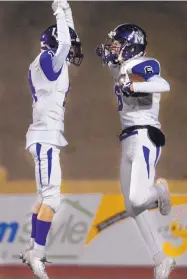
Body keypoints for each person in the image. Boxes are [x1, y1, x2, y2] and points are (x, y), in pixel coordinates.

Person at [96, 23, 176, 279]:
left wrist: (135, 87)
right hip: (127, 140)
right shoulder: (122, 67)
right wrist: (107, 56)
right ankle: (160, 257)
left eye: (118, 43)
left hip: (144, 136)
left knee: (141, 198)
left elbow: (163, 84)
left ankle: (160, 190)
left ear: (131, 45)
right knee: (132, 207)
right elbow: (116, 68)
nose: (114, 47)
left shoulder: (143, 64)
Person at [20, 0, 83, 278]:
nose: (71, 49)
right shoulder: (47, 59)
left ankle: (33, 248)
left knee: (43, 197)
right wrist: (59, 11)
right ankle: (38, 253)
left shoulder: (46, 59)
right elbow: (66, 43)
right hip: (45, 135)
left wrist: (67, 12)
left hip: (45, 135)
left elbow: (68, 38)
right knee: (53, 199)